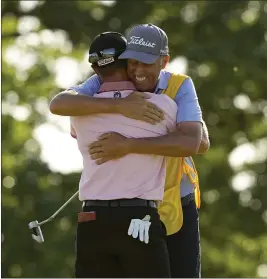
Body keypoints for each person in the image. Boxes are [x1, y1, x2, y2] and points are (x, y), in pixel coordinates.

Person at [50, 24, 210, 278]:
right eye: (132, 62)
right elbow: (59, 104)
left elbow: (197, 143)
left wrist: (128, 145)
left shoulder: (179, 86)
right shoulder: (110, 79)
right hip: (137, 206)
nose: (137, 70)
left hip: (177, 198)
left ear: (164, 62)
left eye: (146, 63)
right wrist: (119, 105)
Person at [70, 31, 177, 278]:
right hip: (139, 218)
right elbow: (194, 142)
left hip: (91, 220)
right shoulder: (163, 106)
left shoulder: (78, 113)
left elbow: (74, 127)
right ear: (129, 63)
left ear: (95, 69)